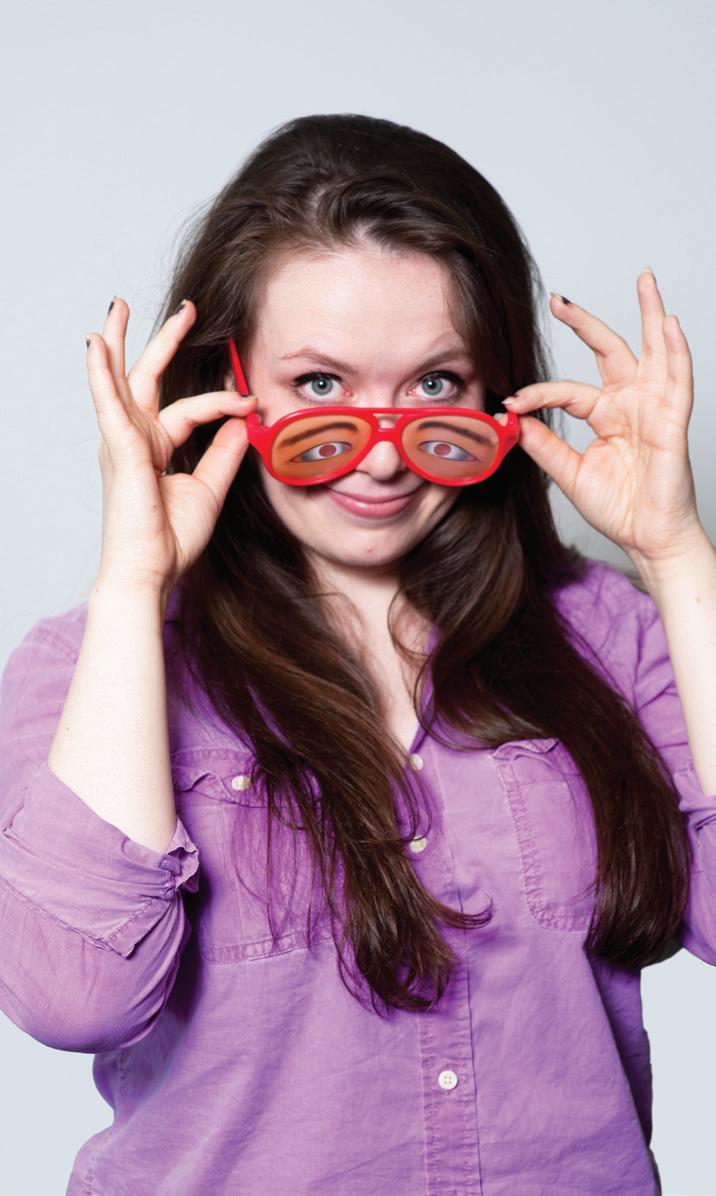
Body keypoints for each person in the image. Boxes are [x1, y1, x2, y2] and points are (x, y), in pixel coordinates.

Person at [0, 113, 714, 1196]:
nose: (380, 458)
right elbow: (74, 998)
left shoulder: (608, 634)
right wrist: (135, 583)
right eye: (321, 386)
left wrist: (674, 549)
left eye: (433, 384)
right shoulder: (93, 662)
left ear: (495, 391)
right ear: (229, 381)